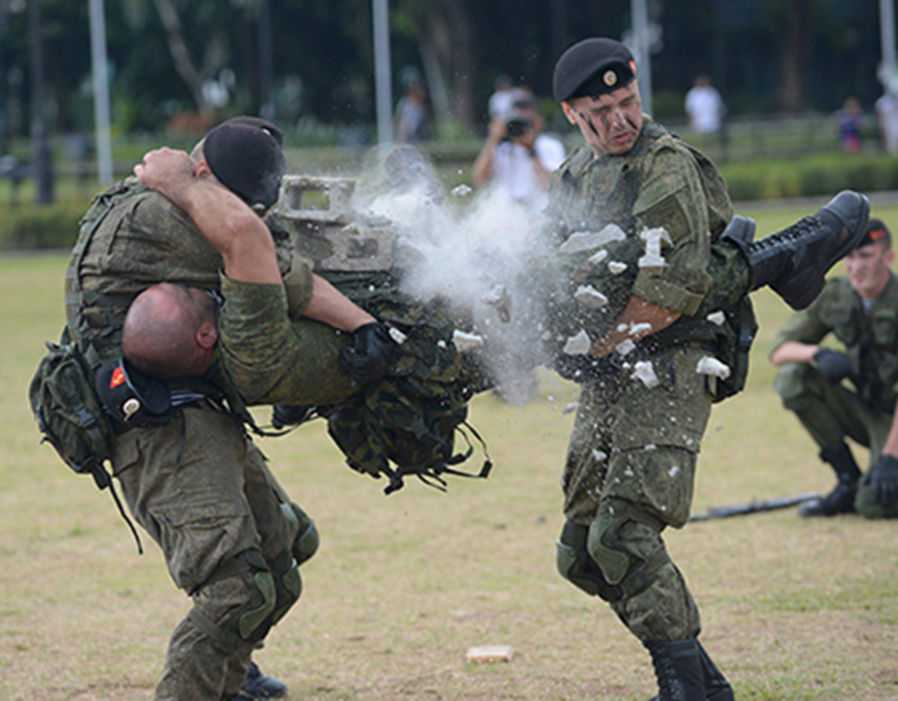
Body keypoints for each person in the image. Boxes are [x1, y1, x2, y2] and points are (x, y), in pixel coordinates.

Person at [544, 37, 869, 700]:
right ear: (571, 114)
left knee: (625, 532)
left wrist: (598, 344)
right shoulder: (573, 177)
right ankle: (704, 680)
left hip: (674, 354)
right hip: (614, 366)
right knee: (581, 550)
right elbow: (550, 271)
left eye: (628, 101)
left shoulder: (664, 164)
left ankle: (685, 688)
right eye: (600, 111)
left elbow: (671, 293)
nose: (620, 120)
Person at [64, 117, 391, 700]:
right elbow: (267, 259)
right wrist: (362, 324)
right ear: (204, 173)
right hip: (153, 423)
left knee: (284, 551)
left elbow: (258, 262)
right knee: (236, 587)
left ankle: (227, 673)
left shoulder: (195, 202)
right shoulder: (163, 214)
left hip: (196, 405)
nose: (251, 215)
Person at [770, 218, 898, 519]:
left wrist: (891, 457)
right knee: (792, 378)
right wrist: (818, 353)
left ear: (888, 258)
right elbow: (779, 350)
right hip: (868, 408)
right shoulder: (836, 295)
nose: (857, 267)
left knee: (874, 505)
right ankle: (848, 481)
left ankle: (874, 480)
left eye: (866, 256)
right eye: (850, 258)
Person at [472, 93, 566, 216]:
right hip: (505, 216)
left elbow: (553, 188)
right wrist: (493, 139)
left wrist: (532, 151)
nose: (521, 128)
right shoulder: (500, 148)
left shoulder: (550, 146)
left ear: (539, 122)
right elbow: (479, 180)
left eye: (527, 122)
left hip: (537, 215)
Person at [874, 86, 898, 154]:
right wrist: (882, 127)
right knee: (891, 146)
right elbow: (880, 117)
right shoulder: (882, 102)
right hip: (889, 126)